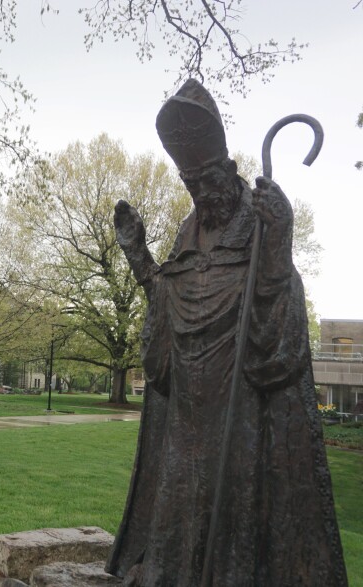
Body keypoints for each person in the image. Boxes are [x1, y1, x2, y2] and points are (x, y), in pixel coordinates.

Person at [106, 80, 347, 586]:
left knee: (236, 525)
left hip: (240, 419)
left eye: (209, 178)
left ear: (230, 168)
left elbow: (277, 338)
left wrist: (280, 239)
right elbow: (170, 311)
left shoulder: (259, 230)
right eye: (192, 183)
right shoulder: (188, 233)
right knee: (175, 518)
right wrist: (139, 257)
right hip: (185, 424)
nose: (201, 192)